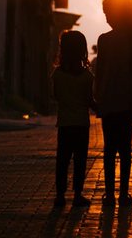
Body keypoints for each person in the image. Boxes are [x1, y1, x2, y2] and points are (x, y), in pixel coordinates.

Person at [94, 0, 132, 207]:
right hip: (127, 105)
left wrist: (97, 100)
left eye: (107, 12)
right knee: (125, 151)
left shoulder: (104, 41)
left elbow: (100, 74)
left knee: (109, 150)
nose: (106, 17)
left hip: (109, 103)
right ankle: (124, 194)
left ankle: (109, 195)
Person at [51, 30, 94, 207]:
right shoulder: (87, 76)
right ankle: (77, 195)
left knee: (62, 160)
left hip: (65, 124)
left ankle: (60, 195)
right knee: (80, 161)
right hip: (82, 125)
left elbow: (56, 96)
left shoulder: (57, 75)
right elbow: (89, 100)